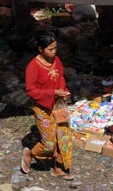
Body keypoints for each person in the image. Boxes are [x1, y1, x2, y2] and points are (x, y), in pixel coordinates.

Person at [21, 33, 74, 180]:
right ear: (40, 49)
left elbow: (60, 76)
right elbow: (31, 90)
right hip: (43, 108)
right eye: (50, 49)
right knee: (49, 143)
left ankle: (59, 167)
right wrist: (52, 92)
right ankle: (31, 153)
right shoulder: (33, 66)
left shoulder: (56, 60)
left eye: (55, 48)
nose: (54, 52)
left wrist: (62, 90)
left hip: (58, 103)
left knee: (64, 136)